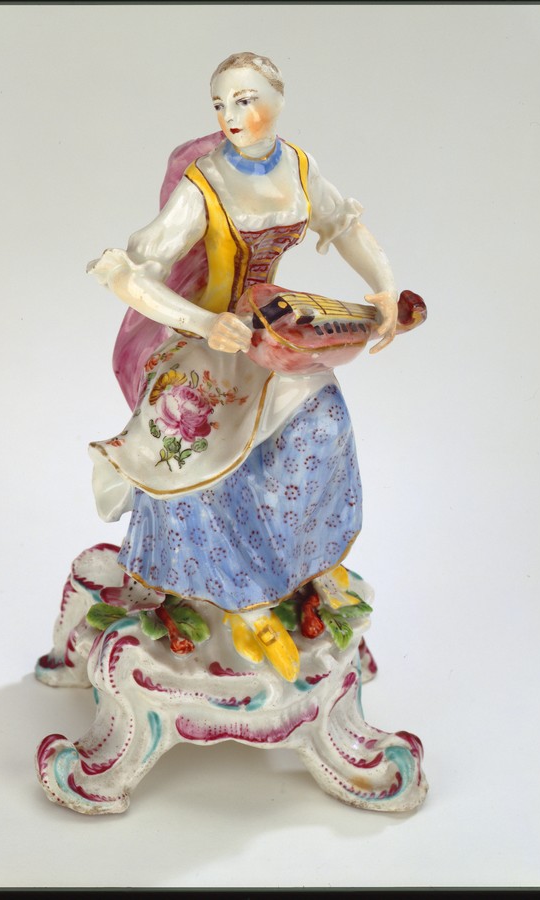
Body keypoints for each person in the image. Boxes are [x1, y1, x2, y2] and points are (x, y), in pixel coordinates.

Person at [87, 52, 399, 682]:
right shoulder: (204, 184)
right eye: (220, 103)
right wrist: (205, 324)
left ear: (279, 100)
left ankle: (297, 572)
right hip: (209, 342)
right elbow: (131, 274)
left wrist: (385, 287)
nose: (231, 115)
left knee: (323, 430)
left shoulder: (299, 167)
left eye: (246, 99)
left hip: (274, 333)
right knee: (195, 457)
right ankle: (234, 596)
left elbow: (343, 226)